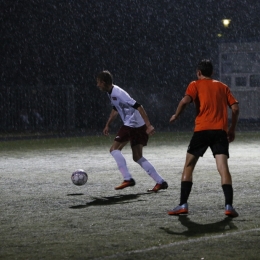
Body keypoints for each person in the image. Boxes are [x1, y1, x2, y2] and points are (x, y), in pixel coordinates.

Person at [168, 59, 239, 217]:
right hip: (220, 132)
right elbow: (235, 108)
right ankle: (229, 206)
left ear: (199, 72)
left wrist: (176, 115)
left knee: (189, 166)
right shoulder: (222, 86)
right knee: (223, 168)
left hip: (201, 130)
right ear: (212, 73)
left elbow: (185, 100)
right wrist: (232, 129)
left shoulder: (195, 84)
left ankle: (183, 204)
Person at [96, 70, 168, 192]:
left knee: (114, 149)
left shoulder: (118, 93)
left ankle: (127, 178)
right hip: (137, 125)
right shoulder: (111, 92)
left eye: (98, 83)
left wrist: (149, 125)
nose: (97, 85)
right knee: (137, 156)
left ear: (103, 82)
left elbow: (139, 106)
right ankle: (160, 182)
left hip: (132, 124)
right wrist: (108, 124)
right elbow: (116, 108)